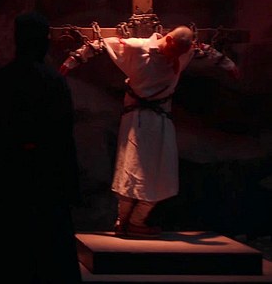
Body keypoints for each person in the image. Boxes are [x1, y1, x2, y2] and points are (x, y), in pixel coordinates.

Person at [59, 25, 240, 238]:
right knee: (131, 167)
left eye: (181, 53)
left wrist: (229, 65)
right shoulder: (137, 48)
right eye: (175, 51)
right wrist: (72, 61)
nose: (176, 57)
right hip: (136, 120)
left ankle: (136, 221)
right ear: (169, 40)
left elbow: (204, 49)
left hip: (160, 122)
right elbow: (102, 44)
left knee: (160, 171)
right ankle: (124, 221)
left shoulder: (184, 51)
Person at [0, 11, 83, 284]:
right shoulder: (54, 81)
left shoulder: (0, 79)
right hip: (47, 175)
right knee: (49, 249)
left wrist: (9, 149)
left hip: (11, 171)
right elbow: (64, 132)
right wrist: (70, 181)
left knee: (5, 244)